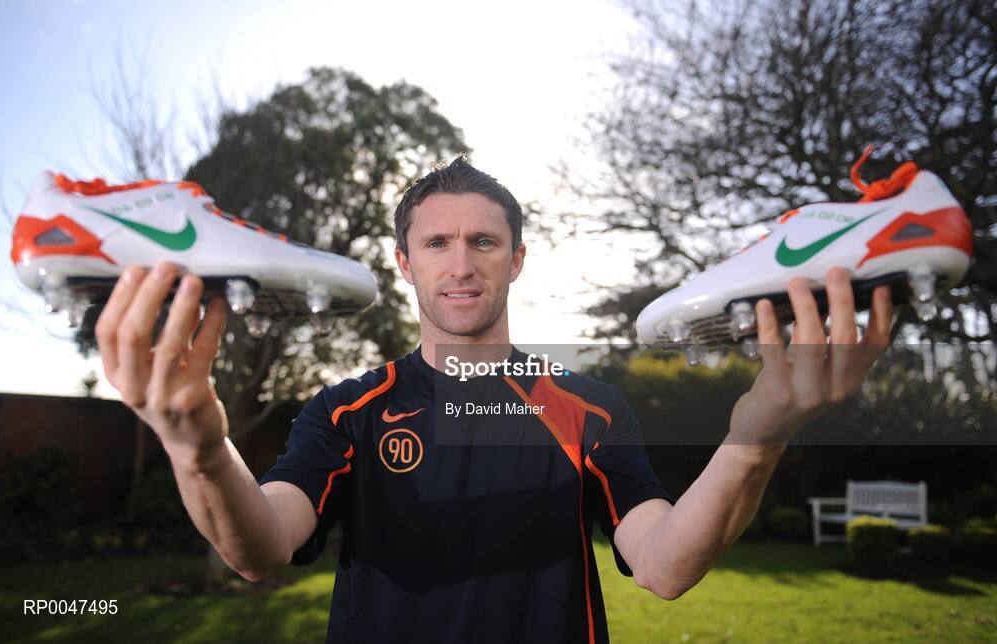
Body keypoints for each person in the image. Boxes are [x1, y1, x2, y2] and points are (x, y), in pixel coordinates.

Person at [95, 157, 893, 643]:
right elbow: (260, 547)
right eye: (437, 243)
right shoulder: (347, 411)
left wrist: (757, 434)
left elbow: (665, 564)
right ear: (405, 262)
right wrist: (196, 446)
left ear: (516, 259)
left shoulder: (590, 406)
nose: (461, 263)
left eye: (483, 241)